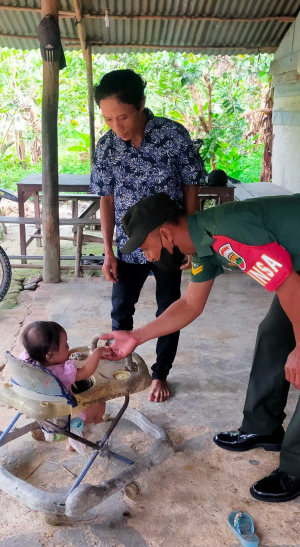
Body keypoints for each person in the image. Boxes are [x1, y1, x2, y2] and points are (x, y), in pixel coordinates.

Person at [100, 192, 300, 503]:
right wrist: (137, 335)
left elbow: (293, 286)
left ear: (165, 234)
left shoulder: (226, 237)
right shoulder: (201, 245)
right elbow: (190, 304)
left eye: (146, 248)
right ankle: (263, 426)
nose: (150, 257)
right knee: (273, 335)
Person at [91, 69, 205, 403]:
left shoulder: (173, 135)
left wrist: (192, 241)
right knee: (121, 308)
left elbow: (190, 187)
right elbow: (106, 199)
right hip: (129, 248)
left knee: (169, 310)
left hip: (168, 243)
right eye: (109, 119)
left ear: (141, 104)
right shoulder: (108, 146)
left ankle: (160, 374)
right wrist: (109, 251)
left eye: (122, 117)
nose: (117, 127)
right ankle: (121, 365)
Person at [20, 321, 110, 447]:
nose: (68, 347)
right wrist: (98, 353)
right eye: (65, 345)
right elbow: (86, 371)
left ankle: (73, 438)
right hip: (64, 425)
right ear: (49, 356)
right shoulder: (61, 374)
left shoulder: (27, 362)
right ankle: (77, 438)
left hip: (45, 419)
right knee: (100, 403)